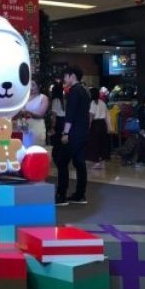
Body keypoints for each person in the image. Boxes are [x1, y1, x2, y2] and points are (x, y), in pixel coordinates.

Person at [55, 66, 91, 206]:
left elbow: (70, 115)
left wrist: (65, 133)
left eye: (65, 76)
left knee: (61, 161)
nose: (64, 79)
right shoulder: (85, 90)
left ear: (72, 76)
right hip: (83, 132)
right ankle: (80, 194)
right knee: (80, 163)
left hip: (73, 133)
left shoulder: (74, 91)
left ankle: (61, 195)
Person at [86, 87, 111, 170]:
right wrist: (109, 126)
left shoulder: (93, 103)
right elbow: (107, 115)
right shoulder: (102, 102)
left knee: (94, 143)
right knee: (102, 143)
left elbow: (91, 116)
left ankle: (97, 162)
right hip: (102, 124)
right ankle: (102, 162)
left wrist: (88, 126)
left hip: (95, 125)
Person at [19, 79, 49, 147]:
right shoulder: (25, 98)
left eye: (33, 85)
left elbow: (41, 114)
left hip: (37, 127)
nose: (31, 87)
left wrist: (29, 113)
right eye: (29, 85)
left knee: (36, 147)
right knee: (25, 147)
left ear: (38, 86)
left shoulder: (43, 98)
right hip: (25, 126)